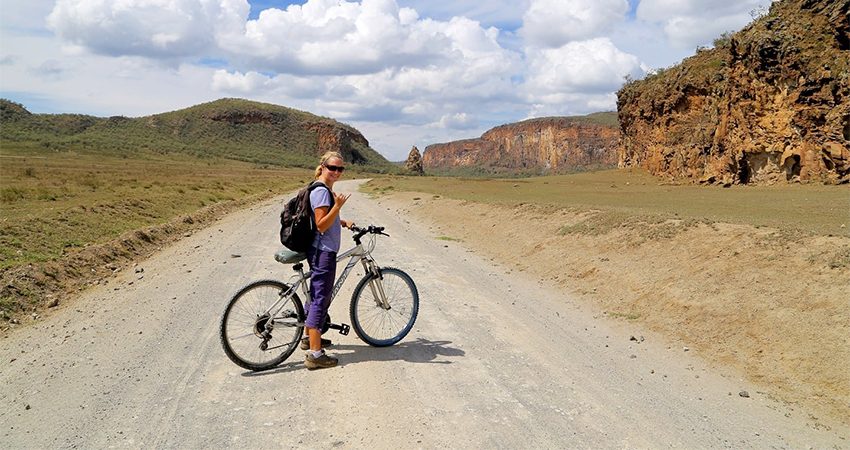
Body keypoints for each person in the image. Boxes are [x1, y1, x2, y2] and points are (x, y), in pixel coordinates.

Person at [302, 151, 353, 370]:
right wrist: (338, 207)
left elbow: (322, 221)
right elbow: (321, 224)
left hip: (317, 249)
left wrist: (340, 221)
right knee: (320, 300)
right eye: (332, 168)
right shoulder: (322, 191)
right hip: (323, 252)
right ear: (322, 167)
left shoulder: (319, 187)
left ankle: (308, 338)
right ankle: (315, 354)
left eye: (340, 169)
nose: (336, 172)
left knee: (315, 295)